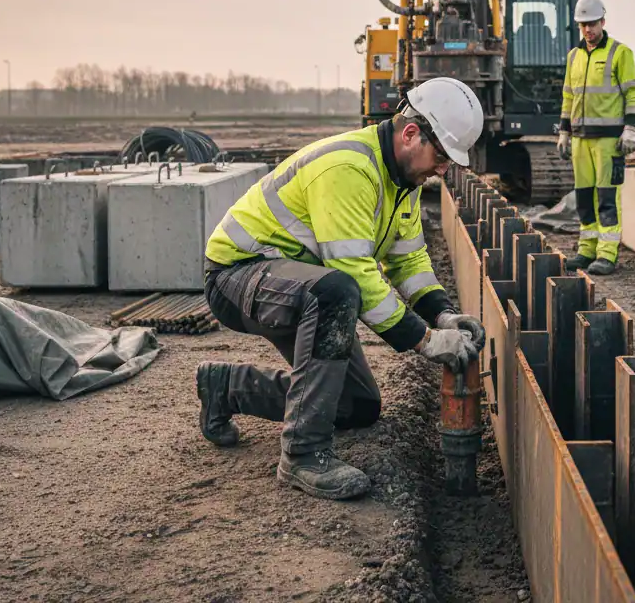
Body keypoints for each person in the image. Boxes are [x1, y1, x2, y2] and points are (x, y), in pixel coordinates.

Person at [194, 76, 488, 501]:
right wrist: (425, 340)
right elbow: (356, 274)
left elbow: (408, 261)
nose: (443, 169)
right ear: (410, 134)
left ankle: (227, 387)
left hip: (297, 285)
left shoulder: (402, 180)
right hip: (238, 276)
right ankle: (303, 453)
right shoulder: (349, 169)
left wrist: (443, 313)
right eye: (441, 155)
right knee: (339, 291)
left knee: (357, 406)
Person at [556, 0, 635, 276]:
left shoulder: (620, 53)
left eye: (592, 24)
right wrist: (564, 132)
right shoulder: (574, 57)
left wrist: (631, 128)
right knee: (584, 197)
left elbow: (633, 92)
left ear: (603, 21)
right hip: (581, 138)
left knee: (607, 197)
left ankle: (607, 253)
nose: (588, 30)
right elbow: (568, 97)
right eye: (583, 25)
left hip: (609, 140)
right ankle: (587, 249)